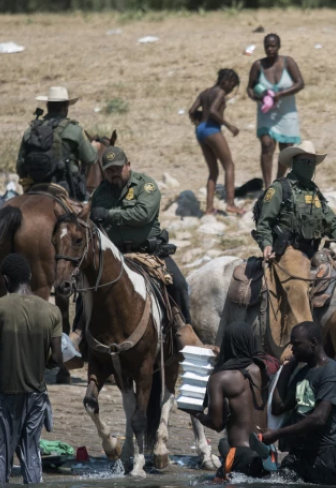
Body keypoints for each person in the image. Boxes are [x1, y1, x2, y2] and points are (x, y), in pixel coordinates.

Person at [253, 141, 336, 358]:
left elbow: (331, 222)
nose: (309, 166)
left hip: (314, 250)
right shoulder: (279, 189)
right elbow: (264, 222)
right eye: (305, 162)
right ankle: (304, 344)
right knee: (298, 286)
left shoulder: (315, 192)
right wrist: (265, 243)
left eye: (312, 162)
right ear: (294, 163)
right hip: (290, 250)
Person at [89, 146, 194, 344]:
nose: (114, 174)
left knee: (179, 285)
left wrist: (109, 215)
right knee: (86, 290)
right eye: (109, 170)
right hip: (115, 255)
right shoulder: (100, 193)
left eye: (118, 169)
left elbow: (143, 214)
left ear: (128, 165)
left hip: (149, 252)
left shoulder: (146, 186)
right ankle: (81, 338)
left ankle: (185, 335)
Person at [0, 254, 63, 486]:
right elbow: (57, 357)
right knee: (31, 453)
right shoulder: (51, 312)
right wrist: (42, 362)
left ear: (6, 280)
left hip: (6, 392)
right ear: (29, 276)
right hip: (37, 395)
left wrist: (7, 353)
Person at [260, 322, 336, 486]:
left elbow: (319, 418)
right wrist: (287, 369)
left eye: (296, 344)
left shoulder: (331, 372)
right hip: (300, 454)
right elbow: (278, 407)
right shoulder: (303, 373)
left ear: (313, 343)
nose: (292, 350)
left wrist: (277, 434)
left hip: (326, 455)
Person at [181, 323, 270, 482]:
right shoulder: (262, 370)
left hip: (240, 455)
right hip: (267, 454)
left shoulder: (220, 379)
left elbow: (217, 424)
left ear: (227, 343)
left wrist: (197, 414)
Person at [16, 86, 97, 201]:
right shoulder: (74, 130)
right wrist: (94, 147)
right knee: (88, 210)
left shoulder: (31, 130)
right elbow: (90, 159)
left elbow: (20, 165)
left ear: (48, 106)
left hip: (35, 186)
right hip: (68, 187)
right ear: (65, 107)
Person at [247, 33, 305, 188]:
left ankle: (279, 181)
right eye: (267, 46)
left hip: (287, 113)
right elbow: (250, 88)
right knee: (266, 145)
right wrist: (259, 98)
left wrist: (280, 94)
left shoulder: (288, 62)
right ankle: (267, 186)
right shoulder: (258, 65)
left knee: (286, 149)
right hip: (267, 113)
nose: (270, 49)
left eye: (273, 46)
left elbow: (300, 83)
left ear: (279, 46)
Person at [189, 69, 245, 216]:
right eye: (232, 85)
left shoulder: (205, 92)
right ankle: (231, 204)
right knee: (229, 166)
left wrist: (197, 122)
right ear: (226, 81)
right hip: (212, 130)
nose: (231, 89)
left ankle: (209, 209)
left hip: (200, 130)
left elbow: (191, 110)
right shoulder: (220, 92)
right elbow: (213, 110)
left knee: (213, 171)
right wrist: (229, 125)